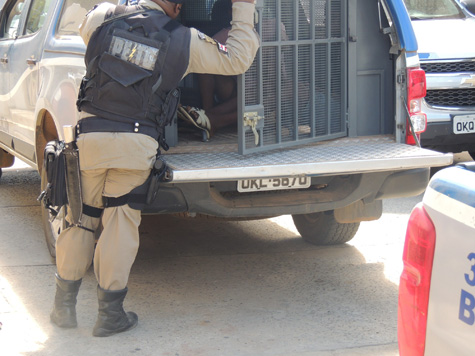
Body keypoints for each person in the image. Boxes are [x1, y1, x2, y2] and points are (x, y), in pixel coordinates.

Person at [49, 0, 259, 337]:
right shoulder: (183, 37)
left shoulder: (104, 17)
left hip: (91, 136)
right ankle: (109, 316)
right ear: (177, 8)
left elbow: (83, 20)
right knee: (120, 219)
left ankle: (63, 308)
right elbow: (238, 58)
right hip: (136, 142)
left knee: (80, 216)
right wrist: (244, 8)